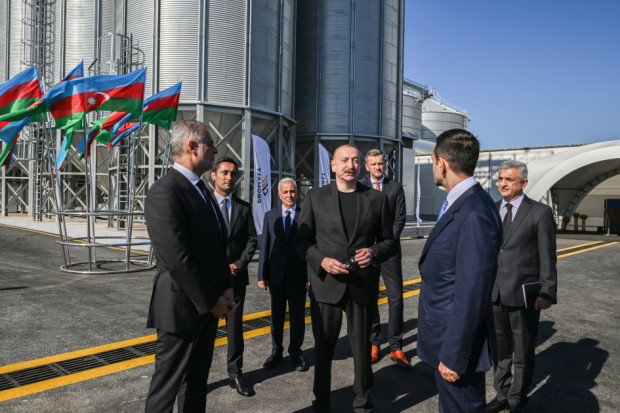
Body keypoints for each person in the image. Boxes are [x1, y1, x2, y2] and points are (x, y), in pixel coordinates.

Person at [144, 120, 235, 413]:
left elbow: (216, 248)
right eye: (210, 144)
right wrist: (211, 301)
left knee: (196, 384)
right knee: (166, 389)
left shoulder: (201, 189)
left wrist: (227, 289)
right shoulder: (165, 191)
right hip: (181, 308)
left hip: (208, 305)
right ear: (192, 147)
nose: (215, 150)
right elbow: (177, 259)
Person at [297, 144, 395, 413]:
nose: (350, 165)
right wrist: (321, 261)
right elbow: (302, 242)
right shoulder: (315, 197)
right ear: (333, 165)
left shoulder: (376, 199)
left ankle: (363, 404)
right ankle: (321, 403)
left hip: (361, 285)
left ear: (360, 165)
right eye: (344, 160)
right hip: (326, 286)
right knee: (324, 350)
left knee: (362, 351)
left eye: (354, 160)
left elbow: (389, 242)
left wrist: (373, 252)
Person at [417, 129, 502, 413]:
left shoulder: (475, 211)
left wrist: (455, 354)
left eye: (432, 161)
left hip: (454, 347)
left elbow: (472, 291)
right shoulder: (463, 203)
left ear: (441, 163)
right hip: (445, 339)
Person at [486, 160, 557, 413]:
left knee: (523, 351)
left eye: (509, 179)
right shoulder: (492, 209)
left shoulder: (540, 212)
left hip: (524, 293)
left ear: (523, 183)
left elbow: (548, 256)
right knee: (499, 350)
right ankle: (502, 393)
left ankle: (517, 398)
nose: (503, 184)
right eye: (500, 179)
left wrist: (547, 291)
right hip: (494, 293)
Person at [210, 157, 258, 397]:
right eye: (224, 173)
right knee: (203, 331)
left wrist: (239, 265)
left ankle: (235, 374)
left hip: (235, 279)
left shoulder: (243, 207)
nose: (229, 178)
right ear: (213, 176)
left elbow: (252, 239)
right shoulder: (203, 204)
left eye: (233, 174)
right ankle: (196, 376)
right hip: (208, 280)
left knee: (234, 331)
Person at [258, 178, 310, 372]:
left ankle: (296, 353)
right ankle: (276, 352)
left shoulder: (305, 215)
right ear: (279, 195)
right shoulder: (270, 216)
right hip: (276, 276)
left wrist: (309, 277)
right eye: (285, 192)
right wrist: (261, 275)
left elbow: (310, 247)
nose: (289, 195)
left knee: (297, 317)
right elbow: (265, 246)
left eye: (292, 191)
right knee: (276, 316)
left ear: (297, 193)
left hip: (298, 277)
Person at [364, 149, 408, 368]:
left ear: (385, 164)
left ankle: (396, 346)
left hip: (390, 251)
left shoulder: (395, 187)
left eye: (380, 163)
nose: (378, 167)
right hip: (367, 253)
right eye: (373, 164)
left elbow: (399, 220)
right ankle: (374, 343)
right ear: (367, 167)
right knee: (370, 298)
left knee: (396, 297)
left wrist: (385, 244)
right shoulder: (361, 188)